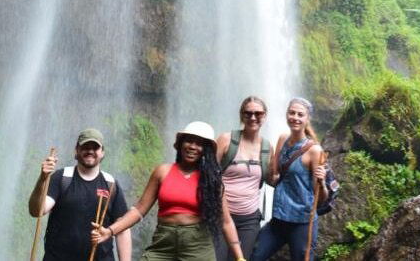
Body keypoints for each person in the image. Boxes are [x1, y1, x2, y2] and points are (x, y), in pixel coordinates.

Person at [92, 121, 246, 261]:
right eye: (189, 141)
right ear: (180, 144)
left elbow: (226, 222)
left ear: (205, 150)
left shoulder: (212, 180)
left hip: (197, 245)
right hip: (163, 242)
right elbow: (139, 210)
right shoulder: (162, 171)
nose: (192, 146)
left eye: (199, 144)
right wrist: (110, 231)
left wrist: (239, 258)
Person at [28, 128, 132, 261]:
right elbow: (37, 210)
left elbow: (122, 229)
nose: (90, 151)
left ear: (102, 153)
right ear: (76, 151)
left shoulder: (111, 184)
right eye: (85, 146)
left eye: (95, 147)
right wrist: (42, 179)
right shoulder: (62, 178)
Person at [250, 98, 325, 261]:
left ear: (307, 119)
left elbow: (319, 197)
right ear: (286, 114)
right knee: (254, 255)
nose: (295, 117)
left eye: (300, 114)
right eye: (292, 113)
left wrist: (322, 182)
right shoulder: (283, 139)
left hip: (302, 223)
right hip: (278, 219)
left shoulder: (314, 150)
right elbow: (275, 177)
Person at [214, 97, 273, 261]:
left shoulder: (267, 148)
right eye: (248, 113)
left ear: (265, 116)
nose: (253, 117)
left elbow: (272, 178)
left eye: (258, 113)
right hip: (220, 216)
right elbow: (209, 174)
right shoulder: (226, 140)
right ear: (242, 115)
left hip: (249, 220)